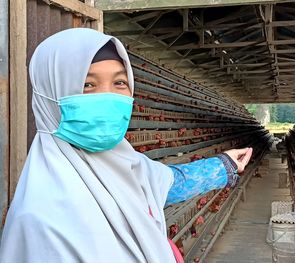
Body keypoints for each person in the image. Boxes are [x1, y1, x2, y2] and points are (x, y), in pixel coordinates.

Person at [0, 28, 253, 263]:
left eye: (119, 83)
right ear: (51, 97)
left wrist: (225, 165)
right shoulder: (39, 223)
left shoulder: (123, 161)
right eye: (87, 85)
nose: (107, 96)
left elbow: (166, 183)